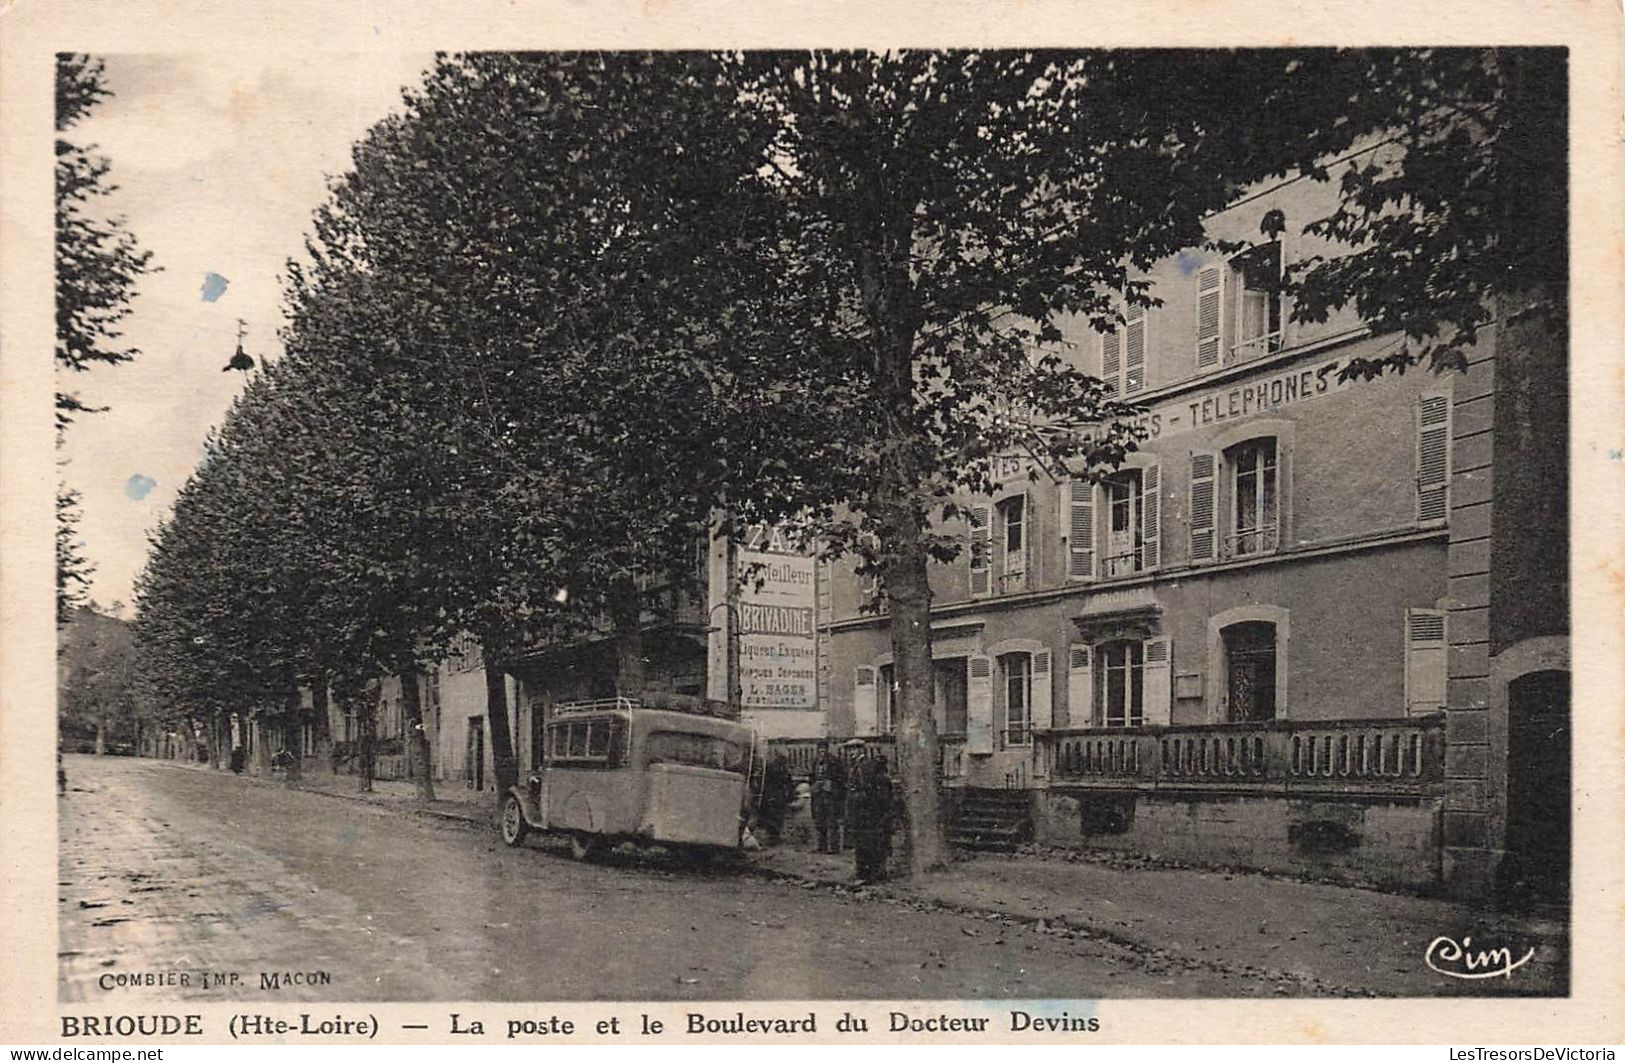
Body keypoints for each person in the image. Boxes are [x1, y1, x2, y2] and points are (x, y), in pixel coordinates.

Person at [853, 753, 894, 883]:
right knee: (873, 846)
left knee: (875, 846)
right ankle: (870, 872)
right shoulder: (875, 781)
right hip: (872, 819)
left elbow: (884, 801)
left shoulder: (880, 781)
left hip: (876, 818)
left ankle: (871, 872)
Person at [810, 743, 849, 854]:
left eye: (824, 750)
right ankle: (822, 846)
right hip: (819, 795)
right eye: (820, 751)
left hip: (831, 796)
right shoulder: (815, 762)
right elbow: (811, 777)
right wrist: (814, 785)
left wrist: (832, 784)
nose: (822, 753)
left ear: (827, 750)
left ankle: (834, 847)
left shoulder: (835, 762)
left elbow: (842, 777)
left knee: (832, 821)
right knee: (820, 821)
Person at [757, 749, 794, 845]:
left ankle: (774, 836)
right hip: (773, 793)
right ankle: (772, 836)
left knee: (777, 816)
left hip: (778, 794)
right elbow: (766, 781)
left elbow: (788, 782)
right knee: (773, 816)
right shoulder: (772, 767)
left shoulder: (782, 768)